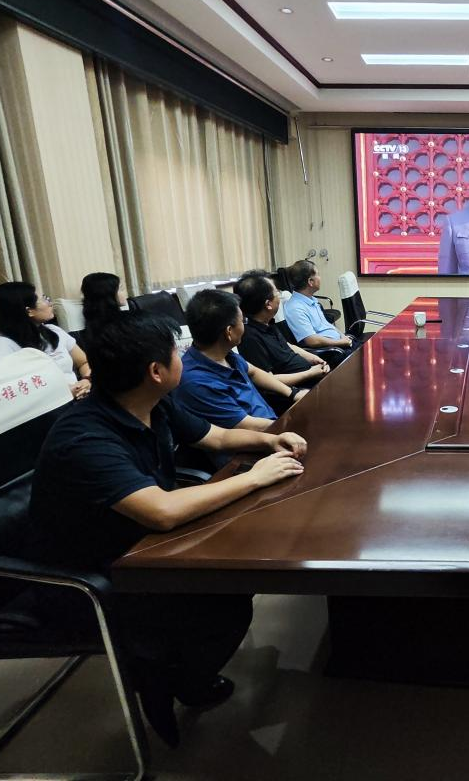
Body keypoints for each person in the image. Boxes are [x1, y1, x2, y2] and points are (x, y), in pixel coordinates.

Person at [28, 311, 307, 748]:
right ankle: (161, 677)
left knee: (232, 586)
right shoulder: (85, 436)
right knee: (224, 599)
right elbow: (160, 512)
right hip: (90, 574)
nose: (183, 356)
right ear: (156, 371)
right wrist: (255, 478)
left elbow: (215, 437)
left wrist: (270, 441)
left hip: (140, 545)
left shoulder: (152, 403)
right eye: (176, 352)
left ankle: (181, 673)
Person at [174, 289, 302, 435]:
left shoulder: (224, 354)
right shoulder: (196, 382)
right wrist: (290, 424)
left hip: (273, 425)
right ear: (229, 332)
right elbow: (246, 425)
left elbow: (253, 372)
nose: (244, 326)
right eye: (242, 321)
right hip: (258, 441)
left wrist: (293, 393)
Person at [234, 270, 329, 413]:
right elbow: (269, 380)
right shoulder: (250, 338)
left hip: (311, 379)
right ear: (268, 304)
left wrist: (313, 358)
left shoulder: (267, 323)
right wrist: (309, 373)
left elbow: (287, 346)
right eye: (277, 293)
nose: (279, 295)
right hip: (295, 396)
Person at [0, 281, 91, 399]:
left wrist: (86, 380)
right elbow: (5, 390)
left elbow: (83, 362)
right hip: (48, 405)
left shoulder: (54, 331)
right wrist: (62, 393)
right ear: (29, 311)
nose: (50, 303)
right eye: (44, 299)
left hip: (80, 396)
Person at [281, 259, 357, 355]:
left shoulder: (311, 300)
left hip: (340, 345)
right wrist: (340, 342)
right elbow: (312, 341)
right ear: (310, 281)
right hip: (330, 352)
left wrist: (343, 337)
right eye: (318, 274)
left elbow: (327, 325)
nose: (320, 278)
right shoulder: (295, 308)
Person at [80, 271, 127, 349]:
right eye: (121, 289)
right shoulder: (123, 325)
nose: (125, 292)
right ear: (108, 294)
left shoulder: (92, 329)